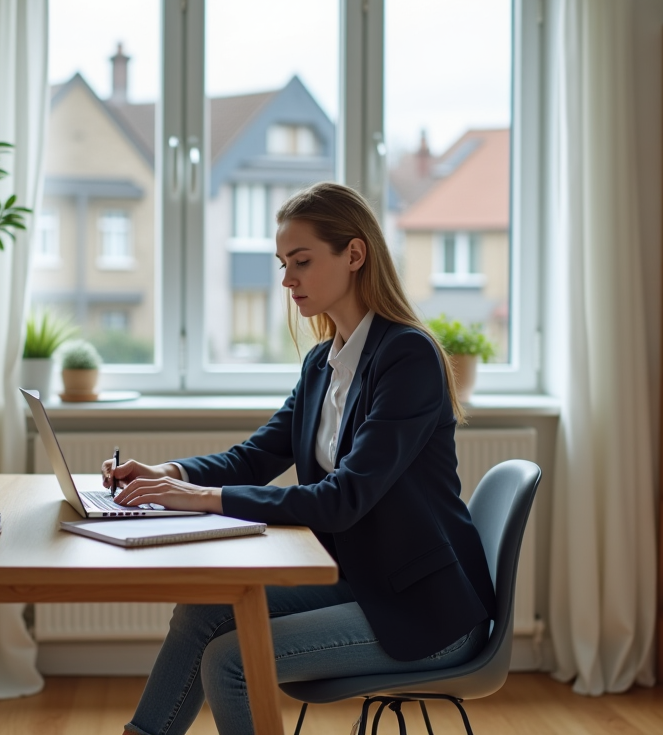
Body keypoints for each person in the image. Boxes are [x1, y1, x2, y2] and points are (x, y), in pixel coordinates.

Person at [103, 181, 495, 735]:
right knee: (201, 613)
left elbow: (342, 500)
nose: (287, 279)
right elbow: (258, 454)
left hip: (425, 611)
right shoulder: (322, 363)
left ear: (354, 255)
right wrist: (171, 473)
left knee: (230, 662)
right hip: (362, 579)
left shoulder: (407, 357)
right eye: (284, 263)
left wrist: (202, 500)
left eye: (302, 261)